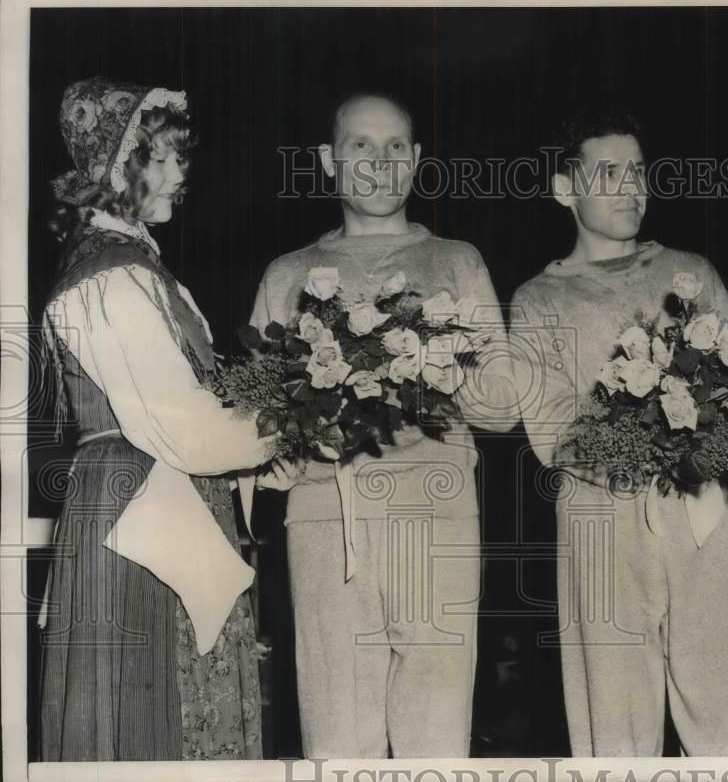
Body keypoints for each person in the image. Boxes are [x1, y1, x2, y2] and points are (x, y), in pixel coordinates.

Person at [250, 92, 519, 758]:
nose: (379, 162)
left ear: (418, 159)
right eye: (361, 146)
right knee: (338, 734)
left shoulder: (458, 259)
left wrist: (436, 359)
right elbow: (256, 413)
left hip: (435, 510)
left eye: (396, 146)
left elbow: (504, 403)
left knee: (436, 732)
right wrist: (272, 455)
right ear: (327, 161)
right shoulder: (286, 275)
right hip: (326, 521)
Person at [39, 77, 292, 761]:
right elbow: (180, 424)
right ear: (118, 164)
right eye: (163, 156)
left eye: (183, 157)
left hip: (166, 495)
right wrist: (287, 423)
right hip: (136, 509)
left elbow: (198, 417)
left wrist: (263, 456)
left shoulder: (145, 272)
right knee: (148, 717)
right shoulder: (106, 278)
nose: (182, 172)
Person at [509, 112, 728, 757]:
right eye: (609, 173)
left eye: (640, 173)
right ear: (565, 190)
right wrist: (647, 417)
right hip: (601, 518)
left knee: (725, 715)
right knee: (615, 729)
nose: (632, 188)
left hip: (699, 512)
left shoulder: (691, 273)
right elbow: (551, 432)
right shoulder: (537, 299)